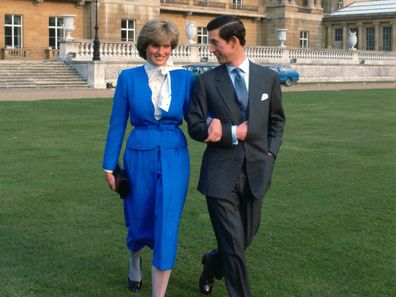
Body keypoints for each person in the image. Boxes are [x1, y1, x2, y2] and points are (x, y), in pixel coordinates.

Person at [187, 15, 285, 297]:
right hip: (219, 175)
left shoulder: (268, 78)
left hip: (256, 172)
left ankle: (211, 262)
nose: (210, 49)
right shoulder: (205, 82)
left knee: (243, 240)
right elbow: (194, 125)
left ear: (234, 41)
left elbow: (277, 122)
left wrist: (270, 153)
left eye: (214, 42)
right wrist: (228, 132)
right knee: (233, 244)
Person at [102, 19, 194, 297]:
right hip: (138, 157)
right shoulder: (128, 78)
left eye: (166, 46)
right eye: (156, 45)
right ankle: (135, 260)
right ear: (145, 46)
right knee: (138, 217)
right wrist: (109, 165)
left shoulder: (186, 78)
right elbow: (117, 123)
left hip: (175, 156)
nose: (161, 51)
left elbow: (197, 119)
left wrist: (218, 125)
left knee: (167, 222)